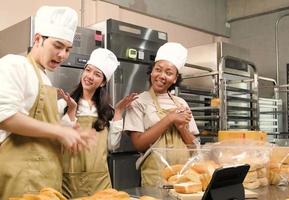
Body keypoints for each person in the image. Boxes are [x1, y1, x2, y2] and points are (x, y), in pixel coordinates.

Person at [0, 6, 96, 200]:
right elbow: (4, 117)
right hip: (20, 177)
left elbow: (42, 128)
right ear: (38, 39)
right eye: (58, 46)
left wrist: (68, 132)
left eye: (68, 49)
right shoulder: (14, 65)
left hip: (47, 177)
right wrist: (60, 131)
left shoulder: (44, 78)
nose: (62, 55)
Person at [58, 48, 137, 198]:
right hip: (70, 181)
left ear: (103, 82)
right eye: (88, 70)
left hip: (100, 180)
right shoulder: (63, 105)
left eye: (97, 74)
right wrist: (71, 111)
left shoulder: (107, 111)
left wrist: (118, 112)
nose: (89, 76)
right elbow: (63, 141)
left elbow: (112, 146)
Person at [123, 42, 200, 186]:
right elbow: (139, 144)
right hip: (155, 178)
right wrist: (170, 118)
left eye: (169, 73)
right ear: (151, 71)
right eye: (158, 70)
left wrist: (182, 127)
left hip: (184, 176)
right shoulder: (138, 102)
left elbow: (194, 148)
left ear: (175, 78)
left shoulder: (181, 103)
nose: (162, 76)